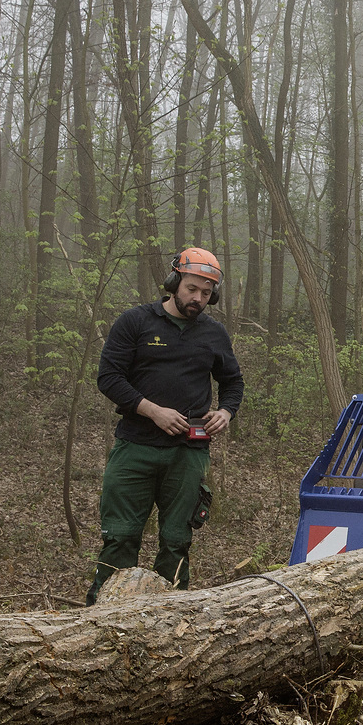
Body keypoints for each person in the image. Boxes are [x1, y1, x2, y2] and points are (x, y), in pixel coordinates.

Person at [88, 247, 245, 602]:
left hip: (188, 453)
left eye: (206, 293)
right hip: (135, 447)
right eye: (191, 288)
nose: (197, 298)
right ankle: (102, 613)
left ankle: (170, 616)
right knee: (120, 536)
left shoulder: (213, 333)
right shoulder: (136, 322)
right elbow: (109, 377)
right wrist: (151, 410)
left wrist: (226, 412)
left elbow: (233, 382)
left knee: (176, 540)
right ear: (174, 282)